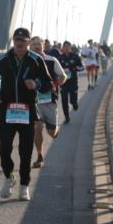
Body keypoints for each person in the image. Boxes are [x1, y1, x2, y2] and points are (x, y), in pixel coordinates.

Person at [0, 28, 53, 200]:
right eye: (16, 40)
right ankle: (9, 176)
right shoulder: (2, 59)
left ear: (29, 42)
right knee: (4, 150)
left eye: (23, 40)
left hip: (27, 111)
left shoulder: (37, 60)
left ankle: (24, 186)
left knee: (25, 152)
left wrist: (36, 84)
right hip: (6, 111)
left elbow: (48, 83)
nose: (19, 43)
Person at [28, 36, 65, 168]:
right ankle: (39, 156)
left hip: (49, 100)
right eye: (34, 45)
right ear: (30, 46)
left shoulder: (51, 60)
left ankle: (56, 132)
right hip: (34, 101)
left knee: (51, 132)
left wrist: (55, 85)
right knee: (37, 127)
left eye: (39, 44)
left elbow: (63, 76)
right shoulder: (26, 61)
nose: (37, 46)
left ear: (43, 46)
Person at [58, 41, 83, 123]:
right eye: (64, 47)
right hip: (63, 82)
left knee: (73, 99)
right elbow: (55, 69)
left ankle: (74, 103)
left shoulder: (75, 57)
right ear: (62, 48)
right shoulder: (60, 58)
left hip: (73, 81)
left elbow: (81, 67)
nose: (66, 48)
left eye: (68, 47)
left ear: (70, 48)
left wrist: (74, 69)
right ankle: (67, 117)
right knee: (64, 99)